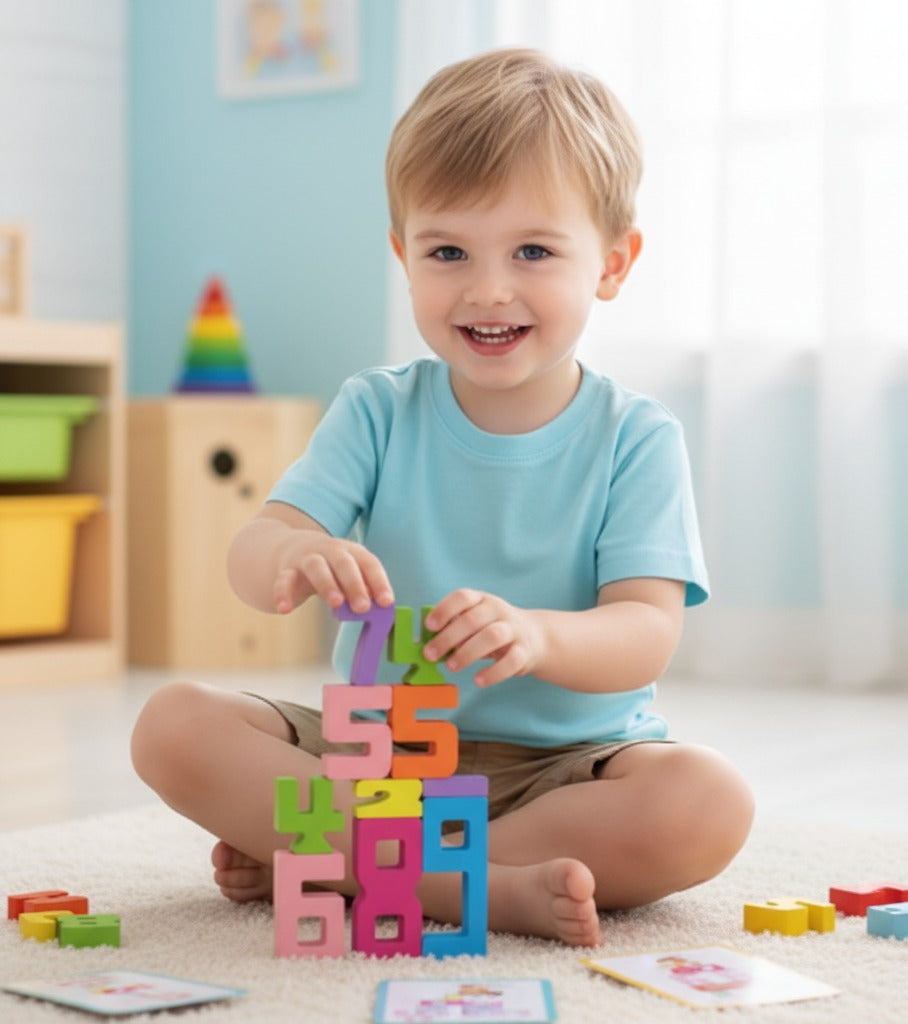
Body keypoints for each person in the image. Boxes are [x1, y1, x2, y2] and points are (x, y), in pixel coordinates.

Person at [131, 47, 754, 948]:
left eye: (533, 251)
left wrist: (539, 635)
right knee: (172, 725)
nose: (487, 289)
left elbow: (646, 631)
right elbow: (254, 551)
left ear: (613, 263)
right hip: (377, 761)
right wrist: (294, 551)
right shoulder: (377, 410)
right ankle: (467, 887)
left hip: (563, 770)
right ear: (404, 256)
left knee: (707, 801)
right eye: (448, 251)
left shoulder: (637, 436)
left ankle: (343, 862)